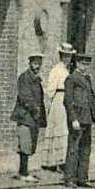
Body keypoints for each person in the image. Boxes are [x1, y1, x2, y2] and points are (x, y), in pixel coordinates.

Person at [63, 55, 95, 188]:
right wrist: (73, 119)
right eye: (83, 64)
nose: (85, 67)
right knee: (73, 148)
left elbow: (91, 98)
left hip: (87, 118)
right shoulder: (71, 79)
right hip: (77, 119)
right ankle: (70, 178)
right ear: (77, 64)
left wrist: (93, 117)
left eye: (87, 64)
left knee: (85, 148)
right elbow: (68, 101)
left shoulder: (87, 79)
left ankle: (82, 177)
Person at [11, 52, 46, 182]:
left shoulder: (37, 79)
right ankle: (24, 173)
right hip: (25, 115)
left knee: (30, 144)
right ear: (30, 63)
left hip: (34, 117)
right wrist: (35, 110)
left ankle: (23, 171)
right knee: (25, 143)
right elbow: (26, 97)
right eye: (35, 63)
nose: (37, 66)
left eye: (39, 64)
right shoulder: (24, 78)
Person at [39, 44, 74, 173]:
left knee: (64, 129)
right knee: (59, 128)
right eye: (65, 56)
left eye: (69, 56)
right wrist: (51, 102)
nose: (67, 58)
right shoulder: (56, 69)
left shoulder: (66, 69)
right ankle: (55, 161)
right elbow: (50, 89)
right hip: (59, 99)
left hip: (66, 98)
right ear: (61, 56)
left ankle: (60, 159)